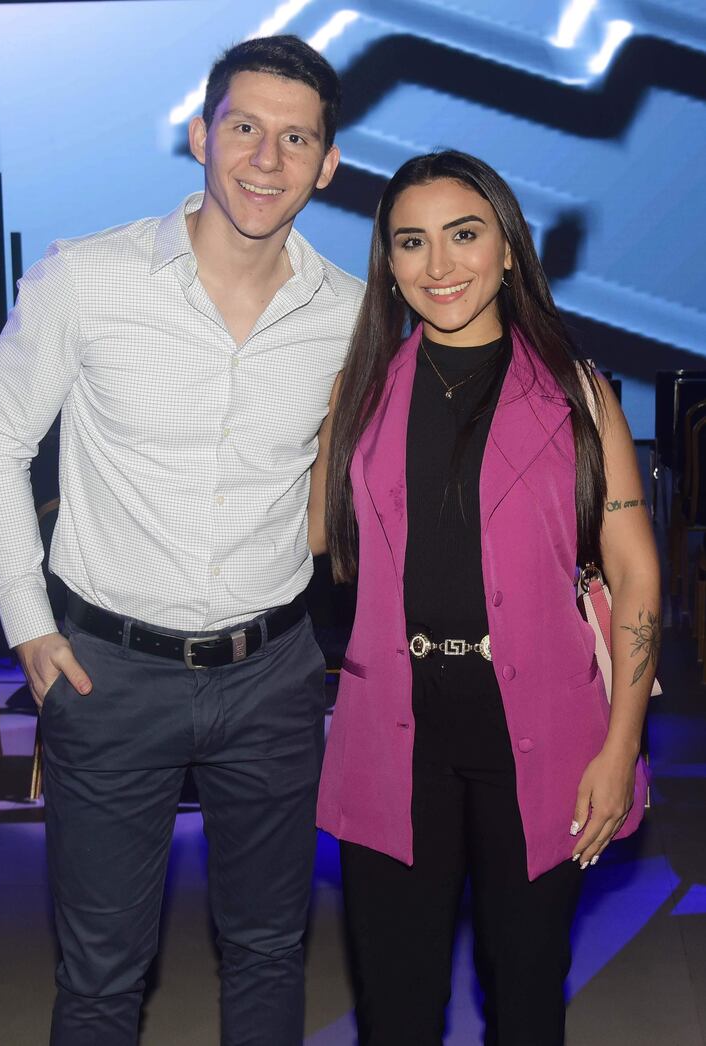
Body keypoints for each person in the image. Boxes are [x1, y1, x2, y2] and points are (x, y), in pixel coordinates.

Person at [0, 35, 363, 1046]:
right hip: (109, 674)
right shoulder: (87, 279)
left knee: (270, 948)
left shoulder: (349, 314)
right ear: (198, 135)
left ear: (327, 164)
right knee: (102, 973)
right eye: (244, 127)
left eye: (294, 138)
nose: (265, 158)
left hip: (273, 674)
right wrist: (27, 624)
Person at [316, 150, 660, 1045]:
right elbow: (313, 544)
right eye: (411, 242)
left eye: (463, 235)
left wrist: (622, 745)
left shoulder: (577, 392)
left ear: (508, 248)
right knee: (395, 1011)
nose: (439, 265)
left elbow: (635, 575)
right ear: (388, 263)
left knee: (527, 1002)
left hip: (547, 738)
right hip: (392, 737)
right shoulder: (359, 392)